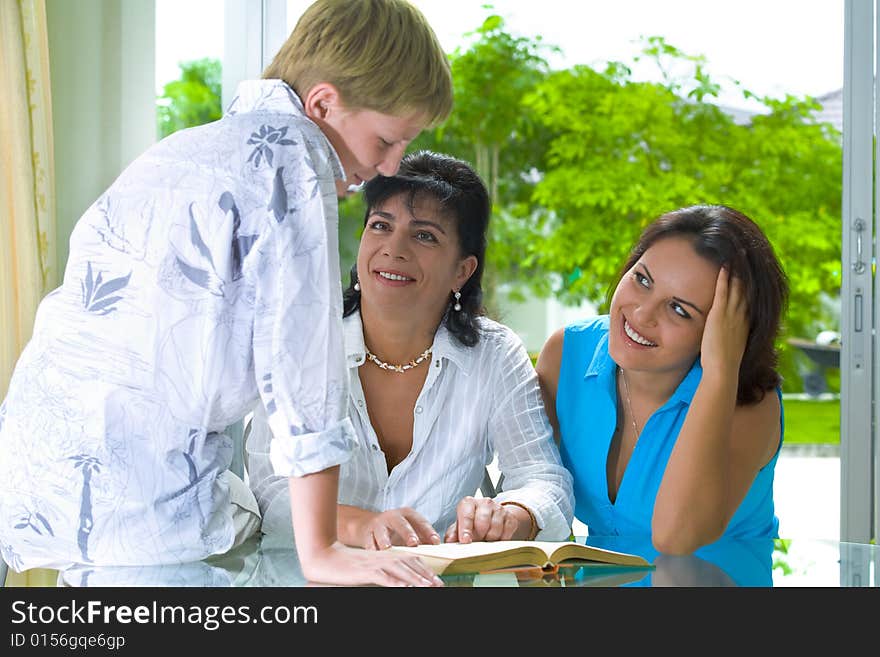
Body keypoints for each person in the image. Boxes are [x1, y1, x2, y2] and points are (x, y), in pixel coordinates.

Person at [0, 0, 453, 587]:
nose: (390, 166)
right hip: (143, 498)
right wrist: (321, 550)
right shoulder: (291, 157)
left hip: (39, 469)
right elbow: (302, 362)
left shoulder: (185, 151)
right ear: (322, 105)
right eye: (388, 140)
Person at [246, 150, 574, 549]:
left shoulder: (495, 353)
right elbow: (271, 487)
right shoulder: (307, 340)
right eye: (381, 225)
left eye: (424, 235)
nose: (393, 248)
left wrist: (513, 516)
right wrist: (363, 526)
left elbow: (544, 479)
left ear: (462, 270)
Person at [536, 204, 789, 555]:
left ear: (726, 330)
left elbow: (676, 537)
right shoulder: (568, 354)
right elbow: (528, 495)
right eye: (642, 280)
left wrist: (719, 372)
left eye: (680, 309)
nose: (641, 315)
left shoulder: (749, 401)